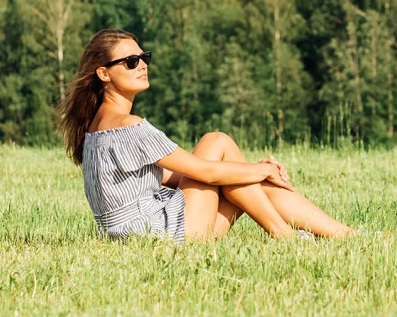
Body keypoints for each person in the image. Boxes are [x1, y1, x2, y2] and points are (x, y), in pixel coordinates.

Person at [56, 28, 356, 243]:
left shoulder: (97, 127)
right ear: (104, 74)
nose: (143, 65)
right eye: (130, 62)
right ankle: (288, 235)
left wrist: (247, 173)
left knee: (241, 180)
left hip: (134, 234)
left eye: (143, 57)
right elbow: (206, 173)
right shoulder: (127, 124)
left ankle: (341, 236)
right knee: (217, 141)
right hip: (159, 233)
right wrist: (262, 168)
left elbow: (166, 178)